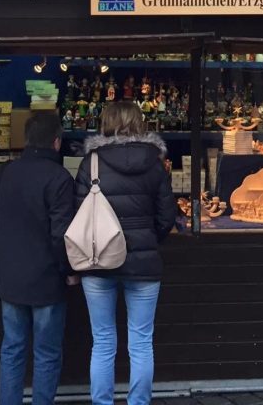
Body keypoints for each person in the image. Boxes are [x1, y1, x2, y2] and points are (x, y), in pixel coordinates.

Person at [74, 101, 176, 405]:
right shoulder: (154, 163)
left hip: (97, 260)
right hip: (144, 264)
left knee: (103, 342)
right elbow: (166, 217)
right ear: (139, 122)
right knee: (141, 343)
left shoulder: (91, 162)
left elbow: (79, 214)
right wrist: (147, 240)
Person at [0, 111, 75, 405]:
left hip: (9, 276)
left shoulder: (3, 172)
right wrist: (68, 270)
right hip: (46, 280)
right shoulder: (59, 178)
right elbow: (61, 235)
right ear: (56, 143)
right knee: (46, 353)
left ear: (26, 138)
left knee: (12, 349)